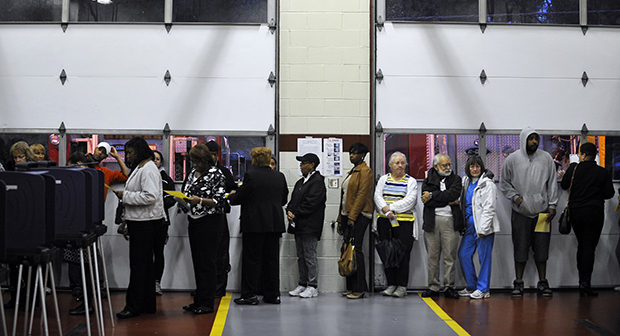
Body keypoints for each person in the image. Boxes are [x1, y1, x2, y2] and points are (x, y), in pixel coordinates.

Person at [500, 127, 558, 297]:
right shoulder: (512, 159)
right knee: (520, 247)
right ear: (523, 139)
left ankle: (543, 282)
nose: (534, 142)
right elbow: (504, 183)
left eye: (536, 139)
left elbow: (552, 183)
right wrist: (516, 198)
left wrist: (553, 205)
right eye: (531, 138)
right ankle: (518, 283)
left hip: (543, 214)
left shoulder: (546, 158)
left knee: (542, 249)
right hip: (520, 213)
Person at [229, 147, 288, 305]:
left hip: (254, 224)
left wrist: (232, 196)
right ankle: (272, 295)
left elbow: (239, 198)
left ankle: (249, 295)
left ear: (254, 160)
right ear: (269, 159)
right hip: (274, 224)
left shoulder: (251, 176)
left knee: (252, 260)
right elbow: (283, 200)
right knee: (271, 260)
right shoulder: (279, 176)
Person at [114, 137, 165, 319]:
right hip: (142, 222)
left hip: (145, 224)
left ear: (139, 151)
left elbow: (150, 196)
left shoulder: (148, 169)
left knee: (138, 266)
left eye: (130, 152)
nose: (128, 156)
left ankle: (133, 306)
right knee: (145, 267)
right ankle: (146, 304)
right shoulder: (142, 167)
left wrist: (125, 196)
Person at [560, 142, 615, 297]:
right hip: (595, 212)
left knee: (582, 245)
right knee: (589, 247)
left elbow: (564, 186)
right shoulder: (602, 172)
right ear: (595, 155)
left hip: (576, 212)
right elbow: (609, 193)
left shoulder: (573, 169)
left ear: (582, 154)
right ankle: (586, 283)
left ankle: (581, 282)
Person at [179, 144, 227, 314]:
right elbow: (186, 190)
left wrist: (200, 200)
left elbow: (220, 200)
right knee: (198, 262)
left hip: (211, 222)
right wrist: (183, 200)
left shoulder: (216, 175)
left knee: (208, 263)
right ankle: (198, 299)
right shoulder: (193, 173)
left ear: (206, 160)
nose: (195, 165)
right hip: (194, 220)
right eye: (192, 161)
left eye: (197, 161)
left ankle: (207, 303)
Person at [374, 151, 417, 298]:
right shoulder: (383, 179)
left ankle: (402, 286)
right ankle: (391, 284)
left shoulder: (411, 181)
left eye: (402, 163)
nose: (400, 165)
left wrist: (391, 208)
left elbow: (410, 200)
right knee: (388, 253)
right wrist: (385, 210)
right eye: (397, 163)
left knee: (403, 254)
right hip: (384, 221)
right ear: (390, 165)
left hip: (404, 223)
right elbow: (377, 196)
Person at [420, 153, 463, 299]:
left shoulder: (456, 179)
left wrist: (433, 195)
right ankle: (433, 287)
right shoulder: (427, 181)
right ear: (436, 166)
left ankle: (449, 286)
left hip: (450, 221)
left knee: (449, 256)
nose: (448, 167)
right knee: (432, 256)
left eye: (449, 164)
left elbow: (453, 194)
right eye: (445, 165)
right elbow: (428, 201)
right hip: (432, 222)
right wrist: (447, 199)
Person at [457, 156, 500, 299]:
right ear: (468, 168)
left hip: (483, 227)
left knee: (484, 258)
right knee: (463, 254)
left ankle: (483, 289)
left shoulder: (488, 185)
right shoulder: (466, 182)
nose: (474, 169)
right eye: (471, 166)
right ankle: (472, 286)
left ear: (481, 167)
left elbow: (490, 208)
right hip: (469, 227)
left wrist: (483, 229)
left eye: (477, 166)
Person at [287, 153, 326, 299]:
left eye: (304, 163)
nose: (301, 166)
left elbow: (311, 203)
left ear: (312, 165)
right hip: (298, 225)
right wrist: (289, 211)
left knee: (310, 256)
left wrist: (295, 213)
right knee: (301, 256)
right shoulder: (300, 182)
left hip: (310, 226)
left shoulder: (317, 182)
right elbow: (293, 200)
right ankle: (302, 283)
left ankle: (312, 286)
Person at [337, 142, 373, 299]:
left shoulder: (366, 171)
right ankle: (351, 287)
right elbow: (344, 197)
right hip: (348, 215)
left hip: (360, 215)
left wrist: (352, 217)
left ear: (363, 155)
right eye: (350, 153)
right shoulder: (352, 172)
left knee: (356, 250)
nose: (351, 155)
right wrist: (340, 218)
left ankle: (359, 289)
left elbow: (362, 195)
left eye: (355, 153)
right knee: (347, 250)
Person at [206, 140, 237, 297]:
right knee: (204, 255)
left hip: (218, 216)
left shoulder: (224, 172)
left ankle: (219, 288)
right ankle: (205, 287)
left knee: (220, 255)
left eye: (213, 154)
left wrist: (230, 194)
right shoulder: (197, 171)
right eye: (208, 153)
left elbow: (232, 189)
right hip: (202, 218)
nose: (211, 157)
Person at [152, 150, 176, 296]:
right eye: (152, 158)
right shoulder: (142, 176)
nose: (155, 161)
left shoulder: (167, 180)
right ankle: (144, 282)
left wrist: (157, 203)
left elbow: (171, 199)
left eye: (157, 159)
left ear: (161, 162)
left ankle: (156, 282)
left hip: (161, 222)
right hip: (144, 221)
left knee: (158, 253)